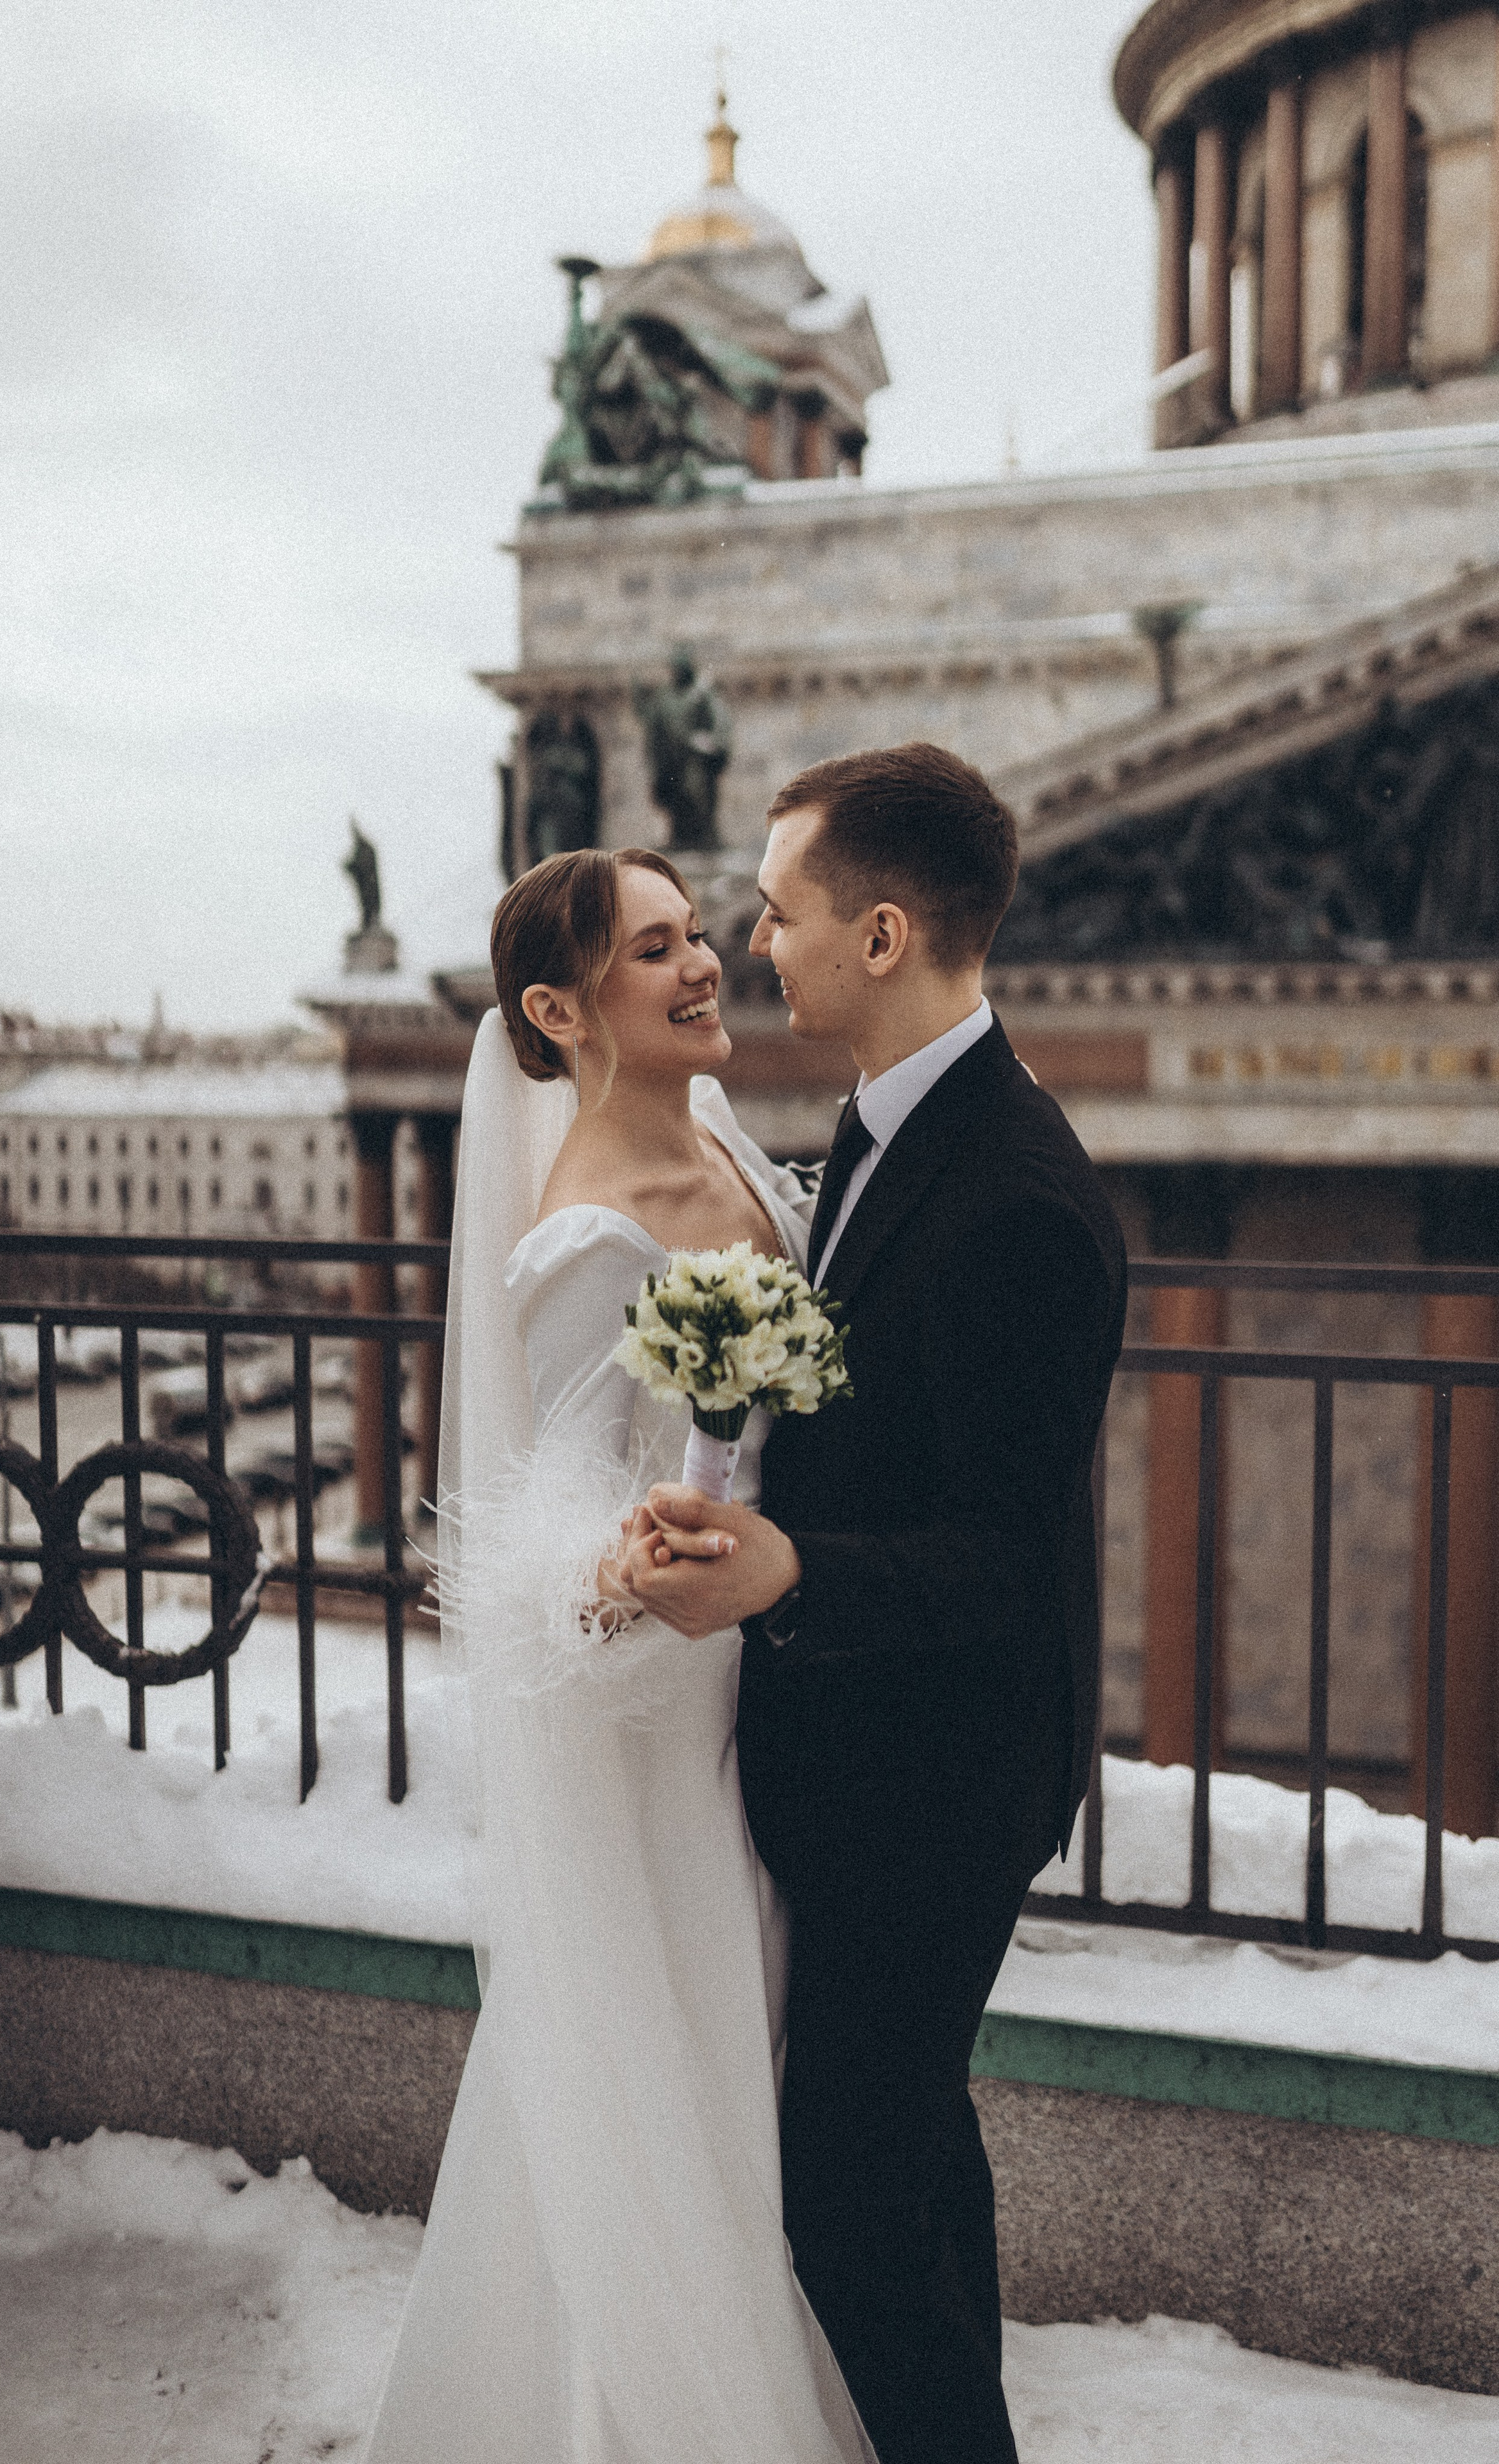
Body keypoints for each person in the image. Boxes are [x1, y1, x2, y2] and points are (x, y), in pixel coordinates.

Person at [617, 744, 1128, 2464]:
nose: (758, 942)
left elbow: (1004, 1553)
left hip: (941, 1784)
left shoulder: (1027, 1202)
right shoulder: (881, 1122)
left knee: (843, 2202)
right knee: (912, 2162)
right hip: (867, 1760)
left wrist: (791, 1572)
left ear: (887, 932)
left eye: (782, 909)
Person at [362, 846, 877, 2463]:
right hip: (673, 1723)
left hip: (767, 1673)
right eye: (655, 951)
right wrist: (637, 1558)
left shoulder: (718, 1135)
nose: (706, 963)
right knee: (674, 2097)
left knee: (731, 2082)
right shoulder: (583, 1236)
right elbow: (550, 1542)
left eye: (699, 933)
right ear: (555, 1008)